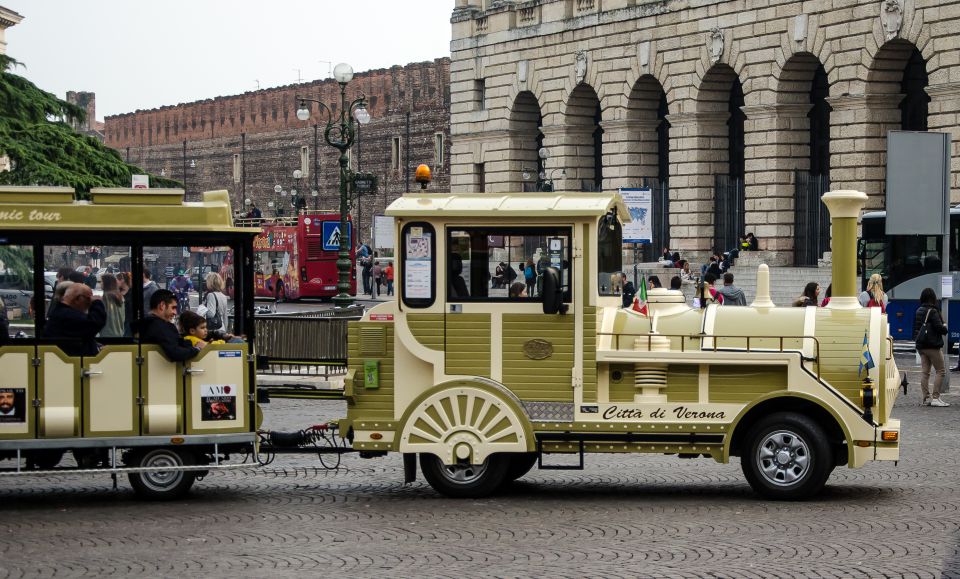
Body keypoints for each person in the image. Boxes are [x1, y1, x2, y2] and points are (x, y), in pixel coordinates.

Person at [138, 289, 203, 362]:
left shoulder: (150, 323)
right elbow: (175, 353)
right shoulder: (159, 326)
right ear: (162, 306)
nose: (175, 312)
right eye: (173, 308)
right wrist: (197, 349)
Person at [43, 284, 106, 356]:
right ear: (78, 299)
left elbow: (82, 336)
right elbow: (95, 323)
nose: (89, 303)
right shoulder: (67, 315)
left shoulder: (61, 312)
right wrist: (97, 303)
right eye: (88, 299)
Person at [914, 287, 950, 407]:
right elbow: (940, 328)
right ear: (933, 298)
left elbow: (916, 328)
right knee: (941, 371)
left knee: (925, 373)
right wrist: (945, 327)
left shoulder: (919, 310)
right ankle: (936, 397)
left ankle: (926, 398)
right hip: (932, 346)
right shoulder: (933, 311)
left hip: (921, 346)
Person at [99, 273, 125, 338]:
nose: (100, 283)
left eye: (101, 281)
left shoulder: (106, 297)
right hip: (119, 331)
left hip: (108, 333)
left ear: (106, 283)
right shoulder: (119, 296)